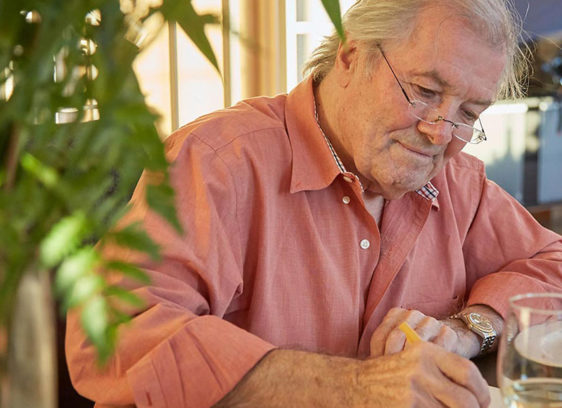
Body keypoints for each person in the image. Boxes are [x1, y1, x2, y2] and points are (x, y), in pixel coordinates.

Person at [66, 0, 562, 407]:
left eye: (468, 113)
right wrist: (354, 388)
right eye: (424, 90)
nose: (439, 131)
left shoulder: (458, 182)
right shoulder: (219, 163)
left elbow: (552, 267)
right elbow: (119, 336)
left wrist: (469, 330)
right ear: (351, 57)